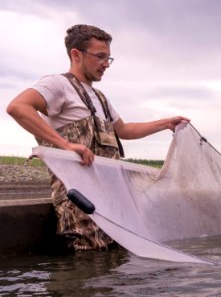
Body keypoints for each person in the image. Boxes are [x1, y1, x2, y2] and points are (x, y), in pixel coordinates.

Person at [6, 24, 189, 251]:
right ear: (76, 54)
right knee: (87, 269)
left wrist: (166, 123)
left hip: (110, 203)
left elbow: (124, 131)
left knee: (113, 269)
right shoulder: (58, 84)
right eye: (100, 57)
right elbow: (18, 107)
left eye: (109, 59)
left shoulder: (100, 98)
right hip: (80, 204)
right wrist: (65, 144)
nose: (106, 64)